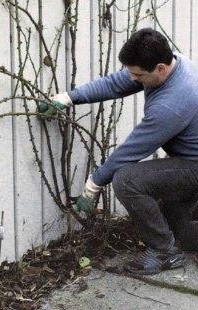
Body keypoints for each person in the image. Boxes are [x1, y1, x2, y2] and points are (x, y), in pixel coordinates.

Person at [38, 28, 198, 275]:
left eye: (138, 75)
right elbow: (115, 83)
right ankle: (179, 236)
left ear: (160, 69)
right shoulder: (170, 62)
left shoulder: (173, 103)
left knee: (127, 179)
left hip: (193, 166)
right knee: (184, 236)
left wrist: (94, 184)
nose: (133, 79)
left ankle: (164, 252)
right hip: (189, 159)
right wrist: (69, 98)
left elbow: (132, 151)